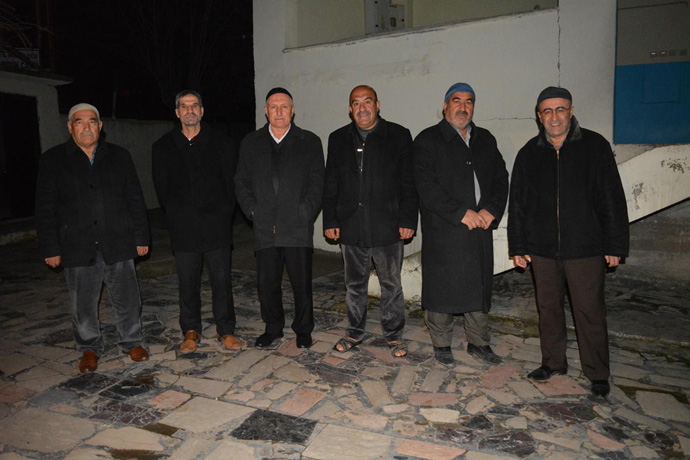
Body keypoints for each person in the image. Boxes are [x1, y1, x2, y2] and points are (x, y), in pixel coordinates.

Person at [508, 86, 629, 397]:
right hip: (543, 250)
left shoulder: (595, 146)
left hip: (586, 248)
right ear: (539, 116)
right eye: (547, 111)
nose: (554, 116)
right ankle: (553, 362)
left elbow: (612, 198)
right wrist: (518, 246)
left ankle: (597, 372)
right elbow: (518, 204)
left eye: (560, 109)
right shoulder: (528, 153)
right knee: (548, 308)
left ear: (571, 111)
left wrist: (615, 245)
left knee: (589, 311)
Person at [35, 103, 150, 373]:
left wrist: (141, 236)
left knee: (128, 298)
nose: (86, 127)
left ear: (100, 126)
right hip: (76, 244)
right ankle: (89, 347)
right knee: (83, 303)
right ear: (70, 127)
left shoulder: (119, 156)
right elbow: (45, 207)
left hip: (118, 240)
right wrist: (50, 247)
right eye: (79, 122)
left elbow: (135, 198)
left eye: (92, 122)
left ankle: (131, 341)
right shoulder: (53, 159)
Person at [413, 83, 509, 367]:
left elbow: (501, 178)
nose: (463, 107)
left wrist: (492, 210)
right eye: (456, 101)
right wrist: (460, 212)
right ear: (445, 105)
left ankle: (478, 342)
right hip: (445, 228)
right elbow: (425, 186)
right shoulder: (428, 140)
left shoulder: (485, 139)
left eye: (469, 102)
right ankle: (442, 343)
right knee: (442, 287)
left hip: (480, 227)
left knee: (478, 287)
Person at [323, 85, 418, 357]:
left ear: (378, 105)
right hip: (351, 225)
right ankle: (354, 333)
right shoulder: (338, 138)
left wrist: (408, 219)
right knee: (354, 285)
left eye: (367, 101)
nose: (362, 108)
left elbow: (408, 182)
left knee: (391, 284)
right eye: (356, 103)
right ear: (350, 109)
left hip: (388, 226)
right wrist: (330, 219)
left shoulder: (398, 135)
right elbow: (331, 182)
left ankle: (394, 336)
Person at [235, 87, 324, 349]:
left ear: (293, 111)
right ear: (266, 111)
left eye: (284, 106)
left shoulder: (309, 141)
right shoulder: (251, 142)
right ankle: (273, 328)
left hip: (297, 225)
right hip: (265, 226)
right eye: (273, 107)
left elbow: (318, 182)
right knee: (267, 283)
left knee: (301, 282)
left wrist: (305, 211)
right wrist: (252, 210)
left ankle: (304, 329)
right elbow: (241, 181)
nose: (279, 111)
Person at [152, 90, 240, 353]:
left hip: (217, 226)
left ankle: (226, 329)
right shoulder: (163, 147)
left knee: (221, 281)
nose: (189, 110)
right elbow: (162, 189)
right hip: (183, 227)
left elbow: (231, 185)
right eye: (184, 106)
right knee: (187, 282)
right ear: (177, 112)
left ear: (202, 111)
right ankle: (191, 329)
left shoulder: (222, 143)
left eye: (194, 106)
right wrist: (178, 216)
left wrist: (222, 216)